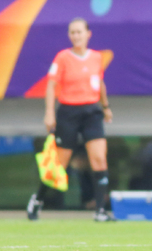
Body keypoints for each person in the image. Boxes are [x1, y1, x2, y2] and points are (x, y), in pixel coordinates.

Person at [27, 18, 115, 222]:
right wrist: (49, 112)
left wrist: (105, 106)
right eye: (72, 32)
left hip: (92, 112)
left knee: (99, 158)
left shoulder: (96, 57)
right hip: (68, 112)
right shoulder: (63, 57)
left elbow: (100, 83)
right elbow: (51, 86)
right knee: (59, 164)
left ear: (88, 34)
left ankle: (100, 211)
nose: (76, 36)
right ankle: (38, 200)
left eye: (79, 32)